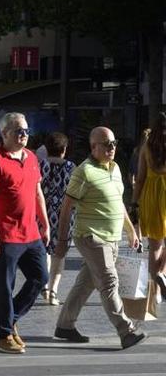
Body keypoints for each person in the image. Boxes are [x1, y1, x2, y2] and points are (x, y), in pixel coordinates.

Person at [53, 126, 147, 349]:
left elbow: (118, 202)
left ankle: (64, 326)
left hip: (111, 238)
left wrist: (131, 231)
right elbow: (66, 207)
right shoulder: (84, 172)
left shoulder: (114, 168)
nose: (112, 148)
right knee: (108, 282)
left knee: (86, 283)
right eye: (106, 144)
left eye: (114, 143)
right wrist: (62, 240)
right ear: (93, 147)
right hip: (91, 237)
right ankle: (126, 331)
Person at [0, 112, 50, 354]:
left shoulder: (31, 157)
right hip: (6, 235)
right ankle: (5, 335)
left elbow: (37, 192)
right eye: (18, 131)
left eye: (26, 130)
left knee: (41, 277)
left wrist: (45, 223)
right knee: (4, 286)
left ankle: (11, 319)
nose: (24, 135)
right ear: (4, 134)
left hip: (31, 233)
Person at [39, 132, 76, 306]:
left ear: (46, 149)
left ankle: (44, 285)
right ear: (64, 149)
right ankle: (53, 291)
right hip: (64, 216)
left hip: (42, 214)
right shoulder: (71, 167)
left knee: (45, 249)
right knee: (60, 254)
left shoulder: (40, 165)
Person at [131, 113, 166, 299]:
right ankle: (162, 272)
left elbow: (141, 178)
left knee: (155, 246)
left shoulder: (147, 147)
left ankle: (156, 291)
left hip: (151, 197)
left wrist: (134, 203)